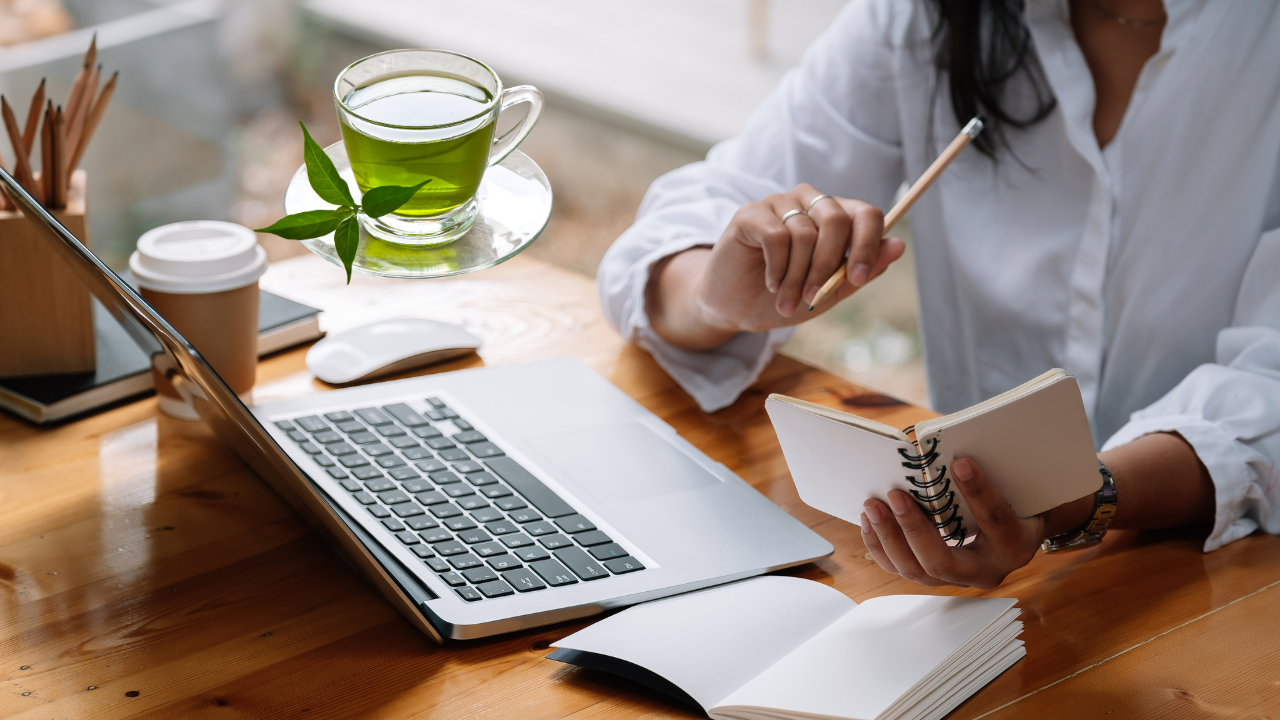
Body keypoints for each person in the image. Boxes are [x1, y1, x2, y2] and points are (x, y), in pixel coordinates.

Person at [597, 0, 1280, 588]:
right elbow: (691, 224)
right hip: (968, 567)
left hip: (1225, 575)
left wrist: (1073, 498)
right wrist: (717, 296)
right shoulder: (934, 15)